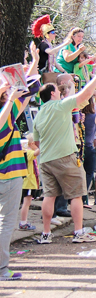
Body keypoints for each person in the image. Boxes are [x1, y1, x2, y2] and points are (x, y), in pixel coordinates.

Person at [31, 61, 96, 245]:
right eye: (57, 88)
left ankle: (46, 234)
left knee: (49, 196)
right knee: (76, 195)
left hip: (46, 160)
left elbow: (37, 142)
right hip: (65, 157)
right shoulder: (61, 106)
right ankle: (79, 232)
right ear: (53, 93)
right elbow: (86, 94)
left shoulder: (39, 114)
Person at [0, 83, 27, 280]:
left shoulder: (9, 114)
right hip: (8, 175)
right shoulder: (6, 117)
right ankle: (1, 269)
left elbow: (26, 91)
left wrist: (34, 61)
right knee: (6, 223)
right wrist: (10, 99)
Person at [18, 137, 39, 232]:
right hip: (29, 183)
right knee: (26, 203)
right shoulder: (28, 152)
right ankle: (23, 222)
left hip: (26, 182)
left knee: (25, 203)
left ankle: (23, 221)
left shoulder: (22, 153)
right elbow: (37, 152)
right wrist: (35, 147)